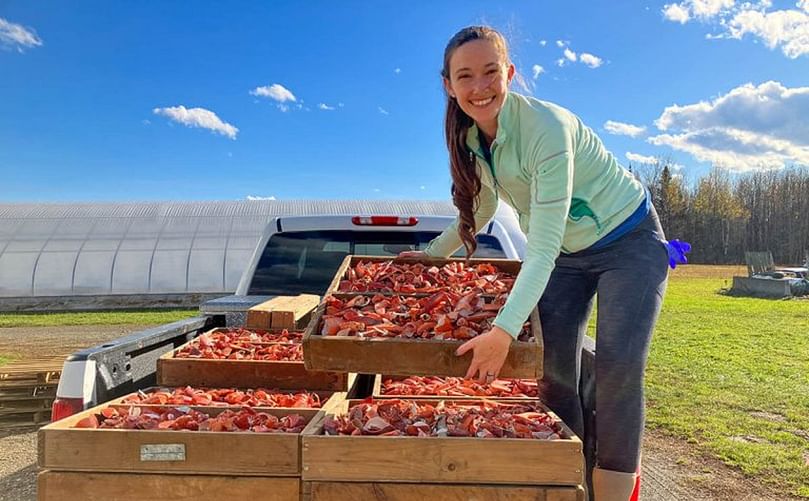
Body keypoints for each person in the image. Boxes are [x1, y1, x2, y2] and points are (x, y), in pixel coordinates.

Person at [400, 26, 680, 501]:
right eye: (464, 76)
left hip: (626, 240)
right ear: (448, 84)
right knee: (553, 370)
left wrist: (503, 331)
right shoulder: (472, 139)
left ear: (509, 74)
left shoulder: (546, 129)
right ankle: (566, 477)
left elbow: (543, 247)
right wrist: (431, 255)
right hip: (569, 256)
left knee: (616, 367)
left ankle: (615, 492)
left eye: (491, 72)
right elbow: (481, 209)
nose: (479, 86)